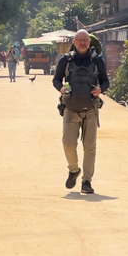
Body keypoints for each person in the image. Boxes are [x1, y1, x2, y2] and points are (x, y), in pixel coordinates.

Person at [52, 30, 108, 194]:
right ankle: (74, 169)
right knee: (68, 143)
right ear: (74, 42)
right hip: (70, 107)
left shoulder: (97, 61)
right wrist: (61, 89)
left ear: (89, 43)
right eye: (80, 40)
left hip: (91, 108)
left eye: (85, 40)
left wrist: (100, 89)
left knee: (90, 146)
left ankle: (87, 182)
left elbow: (105, 81)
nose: (83, 43)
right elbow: (56, 79)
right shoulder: (66, 60)